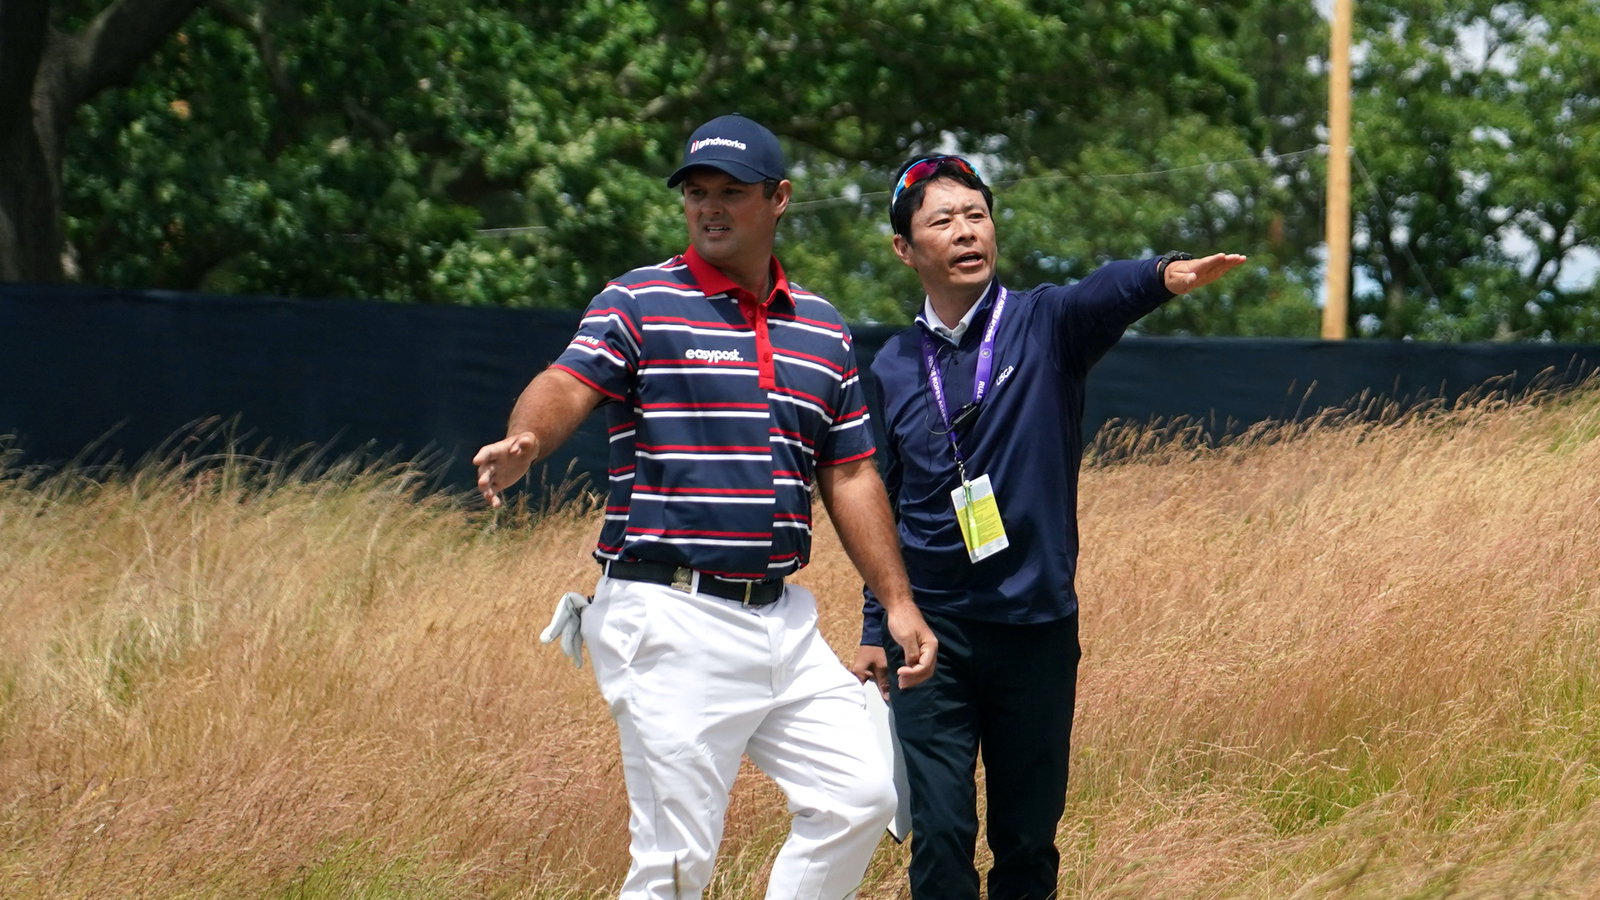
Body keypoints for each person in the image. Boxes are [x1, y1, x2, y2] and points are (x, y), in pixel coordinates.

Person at [472, 114, 938, 900]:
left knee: (863, 796)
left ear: (779, 198)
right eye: (696, 193)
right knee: (678, 867)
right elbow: (566, 383)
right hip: (667, 613)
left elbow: (852, 475)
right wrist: (526, 441)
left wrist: (896, 602)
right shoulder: (641, 300)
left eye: (731, 192)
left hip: (781, 618)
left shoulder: (822, 328)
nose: (710, 207)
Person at [851, 155, 1246, 900]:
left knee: (1028, 846)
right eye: (943, 220)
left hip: (1036, 628)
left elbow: (1101, 292)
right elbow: (884, 501)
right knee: (940, 837)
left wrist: (1164, 275)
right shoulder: (895, 365)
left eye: (977, 214)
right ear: (905, 249)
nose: (967, 232)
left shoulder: (1043, 324)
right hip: (931, 637)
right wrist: (878, 624)